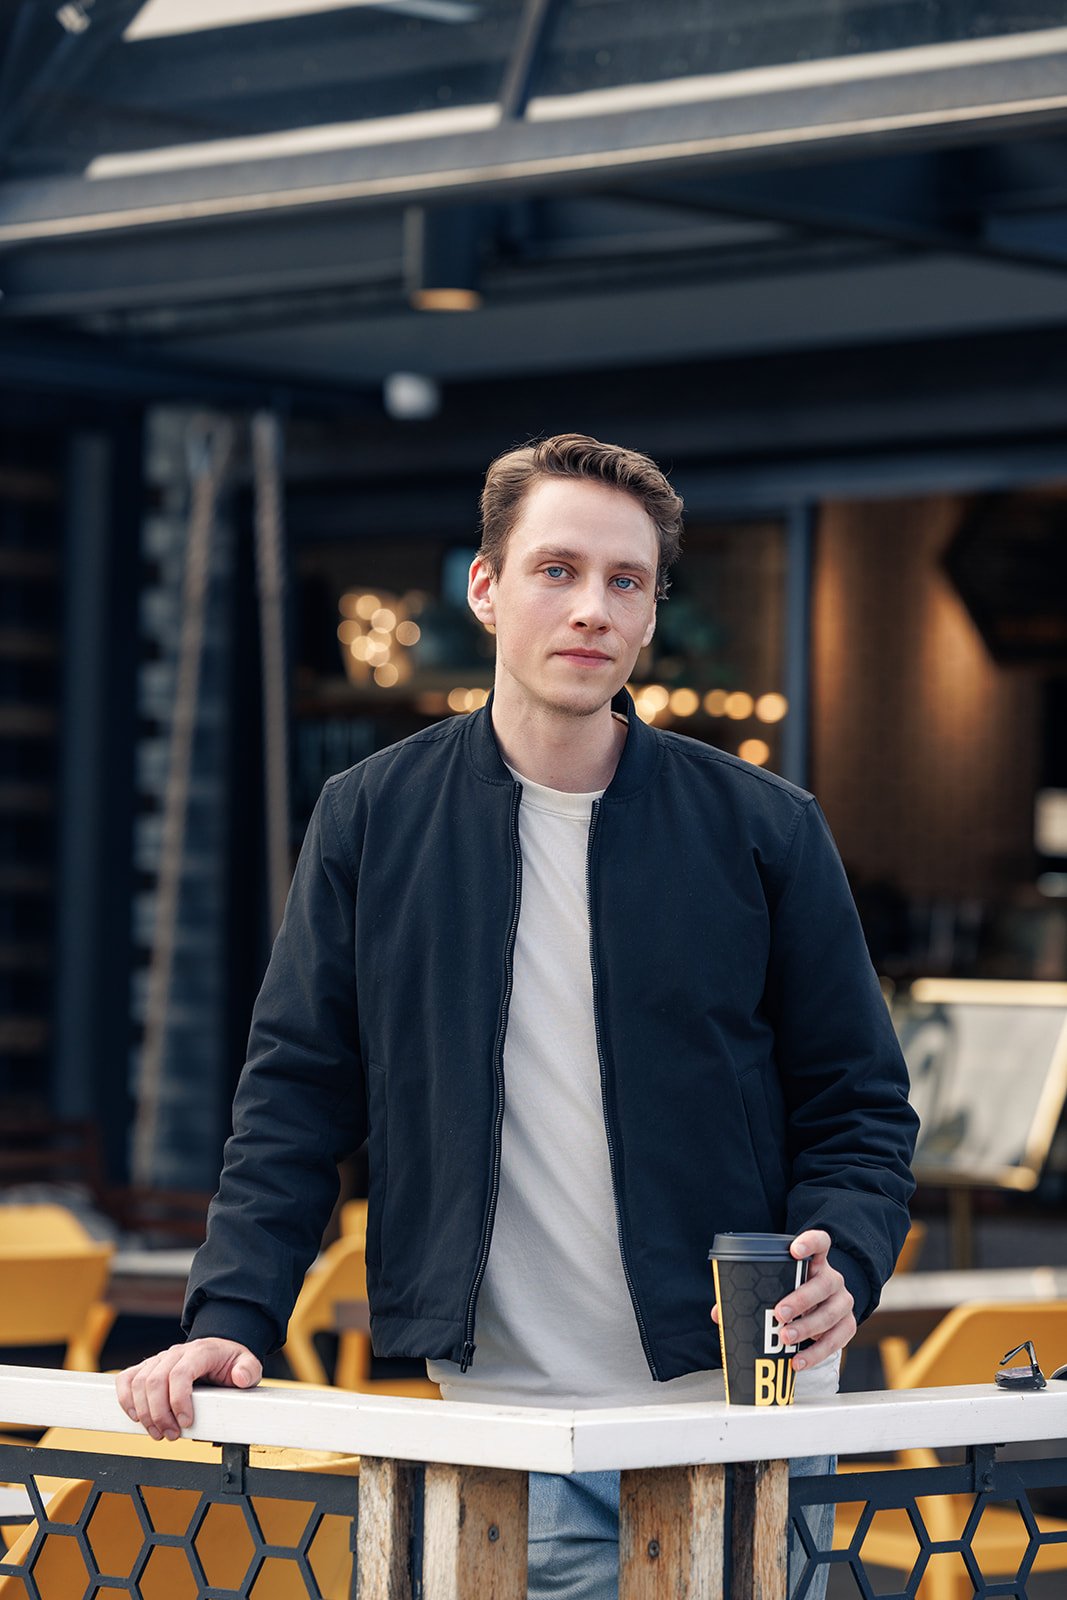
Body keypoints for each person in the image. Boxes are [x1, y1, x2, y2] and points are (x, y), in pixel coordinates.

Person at [118, 434, 918, 1599]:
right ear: (484, 590)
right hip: (498, 1424)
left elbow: (859, 1101)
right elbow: (295, 1093)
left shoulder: (765, 827)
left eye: (624, 582)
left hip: (739, 1413)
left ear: (649, 618)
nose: (591, 607)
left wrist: (844, 1252)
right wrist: (231, 1311)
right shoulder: (370, 818)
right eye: (556, 570)